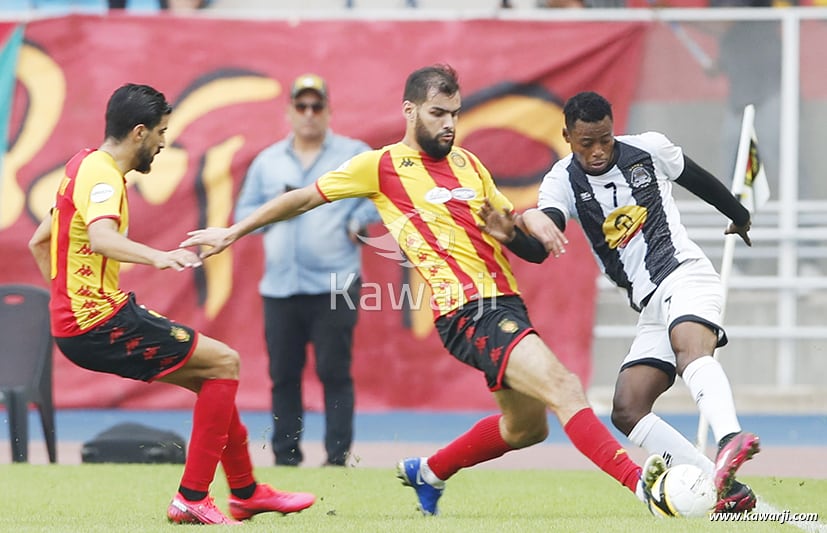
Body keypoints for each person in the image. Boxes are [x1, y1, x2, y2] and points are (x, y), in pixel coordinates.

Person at [181, 64, 669, 517]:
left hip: (505, 304)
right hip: (465, 311)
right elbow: (302, 199)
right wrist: (233, 231)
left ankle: (430, 471)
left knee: (527, 429)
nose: (449, 124)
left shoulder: (470, 165)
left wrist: (515, 231)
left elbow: (530, 252)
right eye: (438, 113)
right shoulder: (380, 165)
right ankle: (642, 486)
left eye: (454, 113)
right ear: (410, 111)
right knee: (565, 386)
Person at [27, 83, 316, 525]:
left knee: (213, 376)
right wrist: (158, 257)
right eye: (161, 132)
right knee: (226, 361)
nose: (164, 143)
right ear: (139, 132)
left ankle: (246, 492)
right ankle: (192, 497)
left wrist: (66, 300)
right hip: (99, 321)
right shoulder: (103, 176)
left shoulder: (81, 165)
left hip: (82, 322)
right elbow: (101, 238)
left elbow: (39, 240)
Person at [478, 90, 761, 513]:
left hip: (684, 274)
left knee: (689, 349)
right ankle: (726, 488)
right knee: (628, 408)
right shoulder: (561, 180)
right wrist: (513, 237)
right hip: (650, 304)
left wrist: (739, 215)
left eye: (605, 140)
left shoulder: (649, 149)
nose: (597, 151)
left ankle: (729, 438)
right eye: (586, 143)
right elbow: (541, 245)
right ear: (567, 137)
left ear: (614, 130)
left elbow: (697, 179)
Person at [235, 73, 377, 467]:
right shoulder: (268, 162)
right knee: (283, 374)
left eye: (317, 106)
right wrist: (273, 212)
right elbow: (244, 213)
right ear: (289, 112)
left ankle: (337, 457)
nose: (309, 114)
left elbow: (384, 194)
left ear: (329, 111)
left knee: (334, 371)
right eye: (302, 106)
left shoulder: (354, 154)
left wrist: (359, 218)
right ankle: (285, 457)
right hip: (281, 286)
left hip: (336, 282)